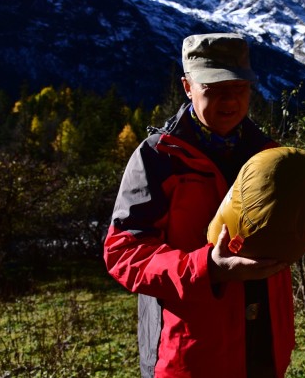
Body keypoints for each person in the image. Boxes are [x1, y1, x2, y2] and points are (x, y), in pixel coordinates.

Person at [104, 33, 295, 378]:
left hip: (264, 348)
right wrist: (209, 267)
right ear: (187, 87)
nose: (228, 100)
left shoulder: (268, 155)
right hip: (189, 355)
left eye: (238, 88)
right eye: (213, 88)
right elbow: (124, 253)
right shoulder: (158, 157)